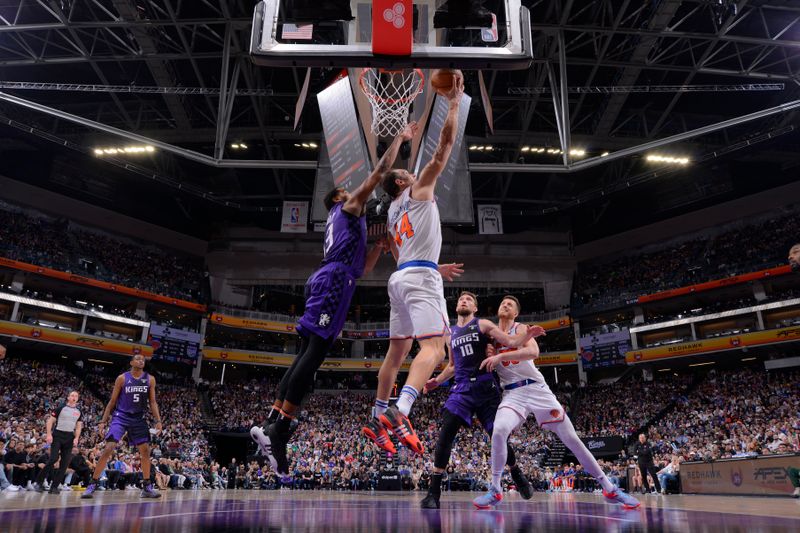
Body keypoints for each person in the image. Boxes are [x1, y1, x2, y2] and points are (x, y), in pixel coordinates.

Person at [251, 122, 420, 477]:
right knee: (314, 356)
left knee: (306, 352)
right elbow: (378, 173)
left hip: (336, 278)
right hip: (332, 281)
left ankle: (270, 422)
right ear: (341, 197)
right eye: (350, 191)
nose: (358, 194)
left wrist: (377, 247)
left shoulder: (344, 224)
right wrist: (401, 140)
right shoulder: (346, 209)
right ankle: (279, 429)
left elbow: (362, 268)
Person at [363, 71, 466, 455]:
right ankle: (399, 410)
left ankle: (377, 417)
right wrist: (453, 104)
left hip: (401, 277)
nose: (411, 170)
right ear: (405, 182)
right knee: (436, 348)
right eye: (407, 171)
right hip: (418, 276)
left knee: (396, 354)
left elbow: (397, 248)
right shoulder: (420, 188)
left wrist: (430, 267)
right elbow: (444, 147)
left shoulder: (390, 211)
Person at [473, 296, 641, 510]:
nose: (505, 305)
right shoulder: (491, 337)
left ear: (515, 313)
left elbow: (533, 352)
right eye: (502, 303)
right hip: (512, 393)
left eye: (510, 305)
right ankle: (495, 489)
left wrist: (498, 358)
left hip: (536, 388)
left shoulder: (521, 328)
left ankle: (608, 487)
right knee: (498, 431)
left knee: (572, 440)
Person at [419, 292, 540, 509]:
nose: (463, 301)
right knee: (445, 433)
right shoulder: (451, 334)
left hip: (485, 387)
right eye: (460, 300)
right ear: (456, 307)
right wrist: (436, 381)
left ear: (475, 308)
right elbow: (453, 366)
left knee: (497, 435)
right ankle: (433, 493)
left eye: (468, 300)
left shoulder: (483, 324)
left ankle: (517, 474)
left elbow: (510, 341)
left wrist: (526, 337)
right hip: (462, 389)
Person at [81, 354, 162, 499]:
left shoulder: (150, 379)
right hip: (121, 416)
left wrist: (158, 420)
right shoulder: (122, 378)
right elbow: (112, 401)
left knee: (145, 451)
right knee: (108, 448)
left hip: (138, 418)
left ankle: (147, 487)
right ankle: (92, 484)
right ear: (131, 362)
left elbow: (153, 402)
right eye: (138, 358)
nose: (141, 361)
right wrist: (103, 421)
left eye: (143, 359)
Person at [34, 390, 83, 494]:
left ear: (77, 399)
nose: (74, 397)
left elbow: (78, 426)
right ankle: (39, 482)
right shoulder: (61, 408)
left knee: (64, 463)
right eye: (72, 395)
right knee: (53, 458)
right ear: (68, 397)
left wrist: (77, 438)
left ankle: (54, 487)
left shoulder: (79, 411)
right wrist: (48, 434)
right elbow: (50, 421)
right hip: (58, 435)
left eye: (76, 396)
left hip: (69, 437)